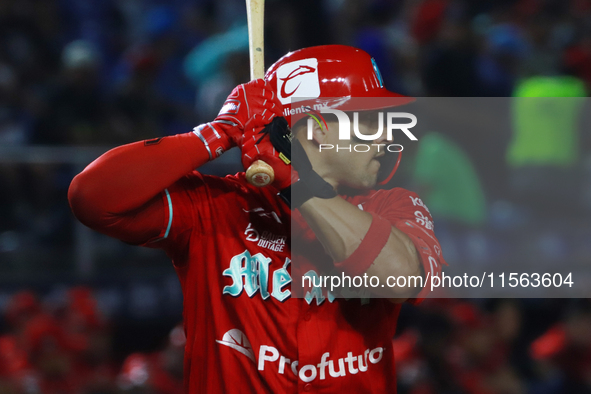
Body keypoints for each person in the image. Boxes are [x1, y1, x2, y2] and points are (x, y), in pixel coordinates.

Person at [68, 45, 446, 393]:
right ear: (316, 128)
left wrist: (297, 183)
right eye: (368, 121)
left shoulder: (393, 205)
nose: (384, 138)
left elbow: (402, 278)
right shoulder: (216, 205)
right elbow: (93, 198)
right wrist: (216, 134)